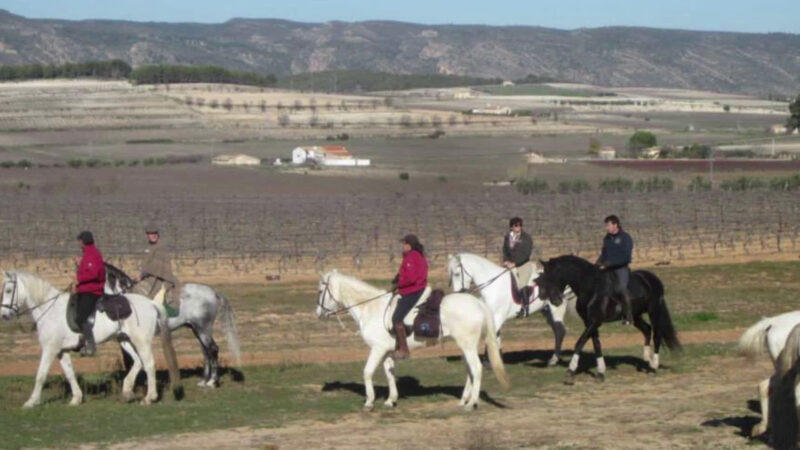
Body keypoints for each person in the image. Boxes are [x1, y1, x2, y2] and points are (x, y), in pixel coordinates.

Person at [390, 234, 428, 360]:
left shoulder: (412, 256)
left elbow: (411, 278)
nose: (403, 246)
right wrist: (397, 279)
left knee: (396, 318)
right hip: (414, 288)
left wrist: (399, 284)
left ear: (409, 245)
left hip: (413, 290)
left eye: (404, 244)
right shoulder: (415, 255)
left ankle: (403, 349)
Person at [595, 215, 634, 325]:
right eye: (606, 226)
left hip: (620, 269)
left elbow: (626, 257)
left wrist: (609, 264)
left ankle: (629, 316)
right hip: (608, 268)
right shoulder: (607, 238)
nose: (606, 228)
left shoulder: (625, 238)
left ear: (615, 225)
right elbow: (604, 254)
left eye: (608, 225)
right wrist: (597, 265)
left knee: (621, 289)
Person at [74, 231, 106, 356]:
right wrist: (79, 265)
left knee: (81, 317)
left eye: (79, 241)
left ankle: (90, 344)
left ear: (83, 241)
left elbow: (93, 274)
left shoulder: (92, 254)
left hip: (92, 291)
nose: (78, 243)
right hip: (84, 289)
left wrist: (79, 278)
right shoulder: (87, 254)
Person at [136, 224, 179, 308]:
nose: (153, 236)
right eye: (150, 234)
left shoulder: (161, 247)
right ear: (147, 235)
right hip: (149, 276)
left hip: (161, 278)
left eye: (155, 233)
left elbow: (158, 266)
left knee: (152, 299)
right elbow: (146, 262)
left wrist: (142, 274)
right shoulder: (149, 246)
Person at [502, 217, 535, 306]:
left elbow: (526, 253)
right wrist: (506, 261)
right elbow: (505, 250)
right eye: (516, 225)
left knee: (522, 284)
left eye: (520, 225)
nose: (518, 227)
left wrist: (515, 263)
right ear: (511, 227)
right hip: (510, 265)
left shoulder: (526, 237)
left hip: (523, 265)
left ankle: (525, 307)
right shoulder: (507, 237)